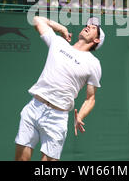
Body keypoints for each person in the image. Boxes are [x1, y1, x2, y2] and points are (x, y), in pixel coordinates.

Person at [14, 15, 105, 161]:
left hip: (57, 117)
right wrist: (62, 28)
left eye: (94, 28)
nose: (88, 27)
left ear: (96, 40)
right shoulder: (58, 42)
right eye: (88, 25)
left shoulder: (94, 64)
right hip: (34, 108)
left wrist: (80, 116)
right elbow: (37, 20)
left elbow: (91, 98)